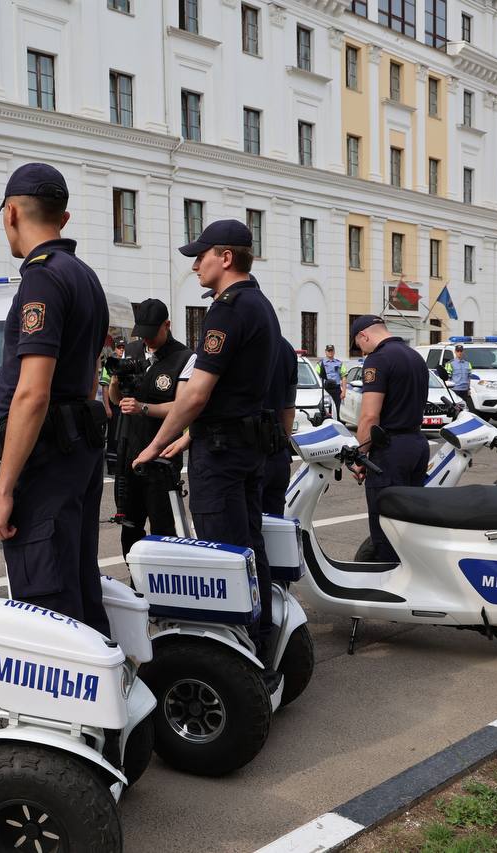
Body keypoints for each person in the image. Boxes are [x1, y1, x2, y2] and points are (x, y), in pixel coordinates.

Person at [131, 220, 281, 657]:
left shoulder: (228, 308)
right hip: (245, 446)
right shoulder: (260, 304)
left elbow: (196, 392)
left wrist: (156, 443)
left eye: (202, 255)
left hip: (223, 453)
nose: (196, 264)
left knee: (224, 558)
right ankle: (262, 640)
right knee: (249, 550)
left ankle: (239, 659)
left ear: (226, 257)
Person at [0, 162, 111, 635]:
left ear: (11, 213)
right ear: (65, 217)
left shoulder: (41, 279)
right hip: (77, 451)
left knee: (49, 605)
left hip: (48, 459)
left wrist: (3, 491)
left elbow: (32, 393)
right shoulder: (83, 275)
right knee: (77, 585)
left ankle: (76, 707)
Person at [107, 298, 195, 557]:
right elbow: (116, 401)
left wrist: (143, 407)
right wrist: (115, 381)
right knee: (130, 527)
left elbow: (183, 406)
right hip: (129, 452)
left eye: (151, 333)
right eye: (142, 334)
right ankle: (136, 581)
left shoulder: (184, 357)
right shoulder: (133, 351)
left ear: (166, 325)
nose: (146, 341)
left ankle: (163, 586)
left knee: (162, 529)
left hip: (162, 458)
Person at [349, 315, 430, 562]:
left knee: (385, 528)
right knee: (409, 524)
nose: (362, 352)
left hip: (391, 450)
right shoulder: (414, 356)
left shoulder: (378, 359)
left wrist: (361, 456)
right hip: (417, 445)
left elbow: (370, 416)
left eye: (359, 345)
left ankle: (385, 586)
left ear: (364, 335)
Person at [261, 337, 298, 516]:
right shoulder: (286, 347)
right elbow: (289, 410)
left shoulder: (238, 338)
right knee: (274, 525)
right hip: (277, 453)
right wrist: (282, 443)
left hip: (247, 456)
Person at [442, 344, 474, 412]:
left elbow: (469, 377)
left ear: (463, 352)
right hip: (455, 390)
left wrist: (468, 389)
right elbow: (447, 378)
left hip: (464, 390)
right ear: (455, 352)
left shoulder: (468, 364)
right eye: (458, 351)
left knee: (465, 409)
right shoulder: (450, 364)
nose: (459, 352)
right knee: (455, 409)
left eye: (461, 351)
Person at [318, 344, 344, 413]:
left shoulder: (339, 363)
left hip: (336, 389)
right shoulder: (321, 363)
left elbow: (344, 377)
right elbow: (317, 376)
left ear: (334, 352)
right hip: (325, 389)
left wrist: (344, 391)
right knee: (326, 409)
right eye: (328, 351)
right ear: (325, 352)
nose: (330, 352)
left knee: (338, 408)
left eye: (331, 351)